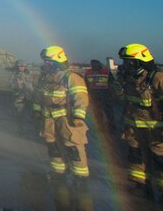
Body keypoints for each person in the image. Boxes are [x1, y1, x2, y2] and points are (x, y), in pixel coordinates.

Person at [112, 44, 163, 197]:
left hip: (157, 129)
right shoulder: (128, 79)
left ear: (141, 61)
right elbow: (123, 100)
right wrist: (117, 84)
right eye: (124, 62)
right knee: (136, 155)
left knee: (161, 159)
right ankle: (140, 183)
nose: (127, 66)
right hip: (134, 127)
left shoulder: (159, 78)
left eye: (130, 62)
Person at [35, 46, 90, 179]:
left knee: (73, 147)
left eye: (48, 61)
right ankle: (58, 172)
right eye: (45, 61)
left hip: (67, 119)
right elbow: (38, 96)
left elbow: (80, 98)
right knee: (53, 147)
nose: (46, 64)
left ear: (57, 61)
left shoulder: (71, 77)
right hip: (48, 119)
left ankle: (80, 176)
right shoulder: (43, 78)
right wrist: (36, 111)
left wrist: (78, 117)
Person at [84, 59, 113, 131]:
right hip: (104, 95)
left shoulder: (88, 73)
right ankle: (110, 127)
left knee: (99, 113)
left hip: (97, 96)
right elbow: (112, 82)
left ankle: (102, 127)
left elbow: (86, 84)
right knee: (107, 113)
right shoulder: (106, 72)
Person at [8, 59, 34, 132]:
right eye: (20, 66)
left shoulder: (28, 74)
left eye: (23, 66)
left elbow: (31, 83)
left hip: (29, 95)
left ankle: (31, 128)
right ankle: (20, 129)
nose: (22, 68)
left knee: (31, 113)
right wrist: (18, 84)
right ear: (17, 67)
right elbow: (10, 85)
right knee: (19, 113)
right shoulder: (14, 75)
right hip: (19, 96)